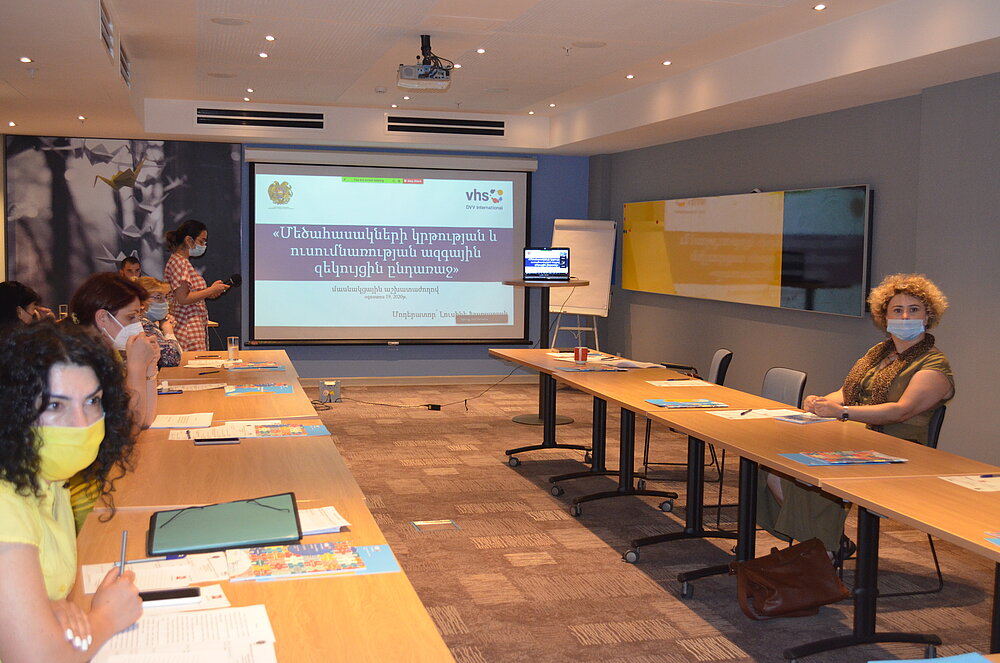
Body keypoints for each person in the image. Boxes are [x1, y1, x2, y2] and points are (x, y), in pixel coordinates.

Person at [757, 273, 955, 558]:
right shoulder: (879, 353)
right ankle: (825, 544)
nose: (905, 316)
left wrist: (843, 412)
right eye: (897, 310)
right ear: (885, 316)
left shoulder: (934, 364)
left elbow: (902, 411)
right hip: (855, 439)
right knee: (775, 470)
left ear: (927, 316)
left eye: (914, 309)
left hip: (897, 451)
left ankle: (822, 550)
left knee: (808, 473)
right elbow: (847, 392)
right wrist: (821, 402)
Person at [0, 321, 142, 661]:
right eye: (54, 406)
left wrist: (45, 606)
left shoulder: (51, 481)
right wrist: (107, 617)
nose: (82, 423)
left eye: (92, 401)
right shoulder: (6, 503)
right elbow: (37, 658)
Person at [69, 273, 160, 531]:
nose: (138, 326)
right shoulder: (79, 363)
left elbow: (145, 420)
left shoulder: (108, 354)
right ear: (102, 318)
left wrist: (149, 368)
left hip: (105, 479)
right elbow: (128, 429)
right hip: (89, 496)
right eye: (131, 318)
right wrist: (136, 366)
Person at [163, 219, 229, 352]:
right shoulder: (179, 262)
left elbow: (190, 295)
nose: (204, 245)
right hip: (187, 329)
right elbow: (183, 298)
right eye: (201, 241)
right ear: (189, 240)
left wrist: (210, 292)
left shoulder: (182, 262)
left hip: (192, 328)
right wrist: (210, 290)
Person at [136, 277, 181, 368]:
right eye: (158, 297)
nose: (165, 302)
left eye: (165, 297)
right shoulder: (143, 325)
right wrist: (168, 331)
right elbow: (171, 359)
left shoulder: (151, 324)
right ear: (141, 301)